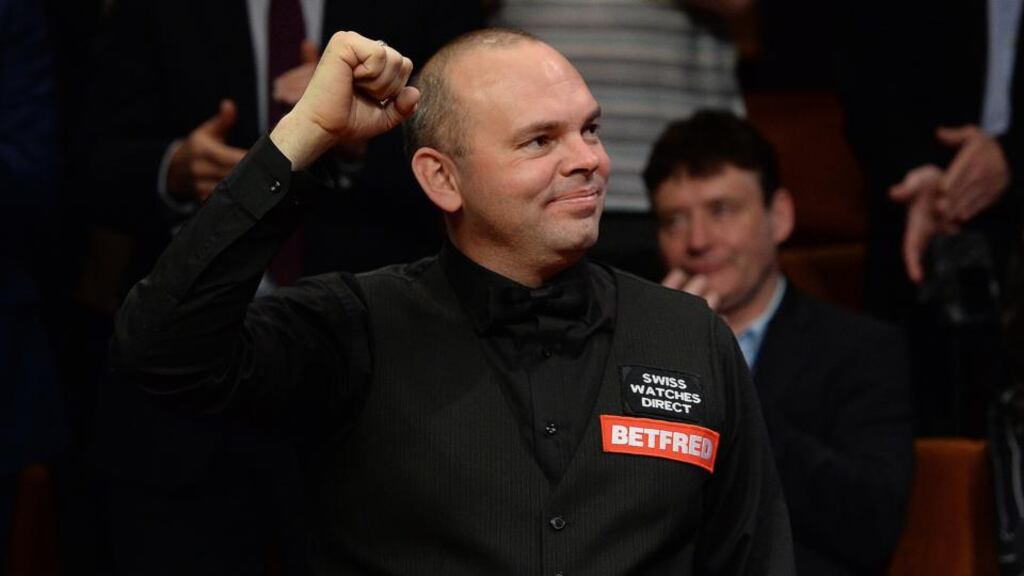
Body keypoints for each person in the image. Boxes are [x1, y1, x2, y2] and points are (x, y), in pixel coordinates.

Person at [111, 29, 794, 574]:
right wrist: (301, 139)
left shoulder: (689, 334)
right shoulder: (357, 327)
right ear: (442, 179)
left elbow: (752, 558)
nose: (589, 159)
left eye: (590, 129)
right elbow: (160, 350)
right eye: (540, 140)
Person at [644, 110, 913, 575]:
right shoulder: (635, 347)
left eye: (721, 210)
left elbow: (870, 522)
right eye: (674, 221)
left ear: (780, 216)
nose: (697, 241)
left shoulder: (861, 349)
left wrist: (722, 378)